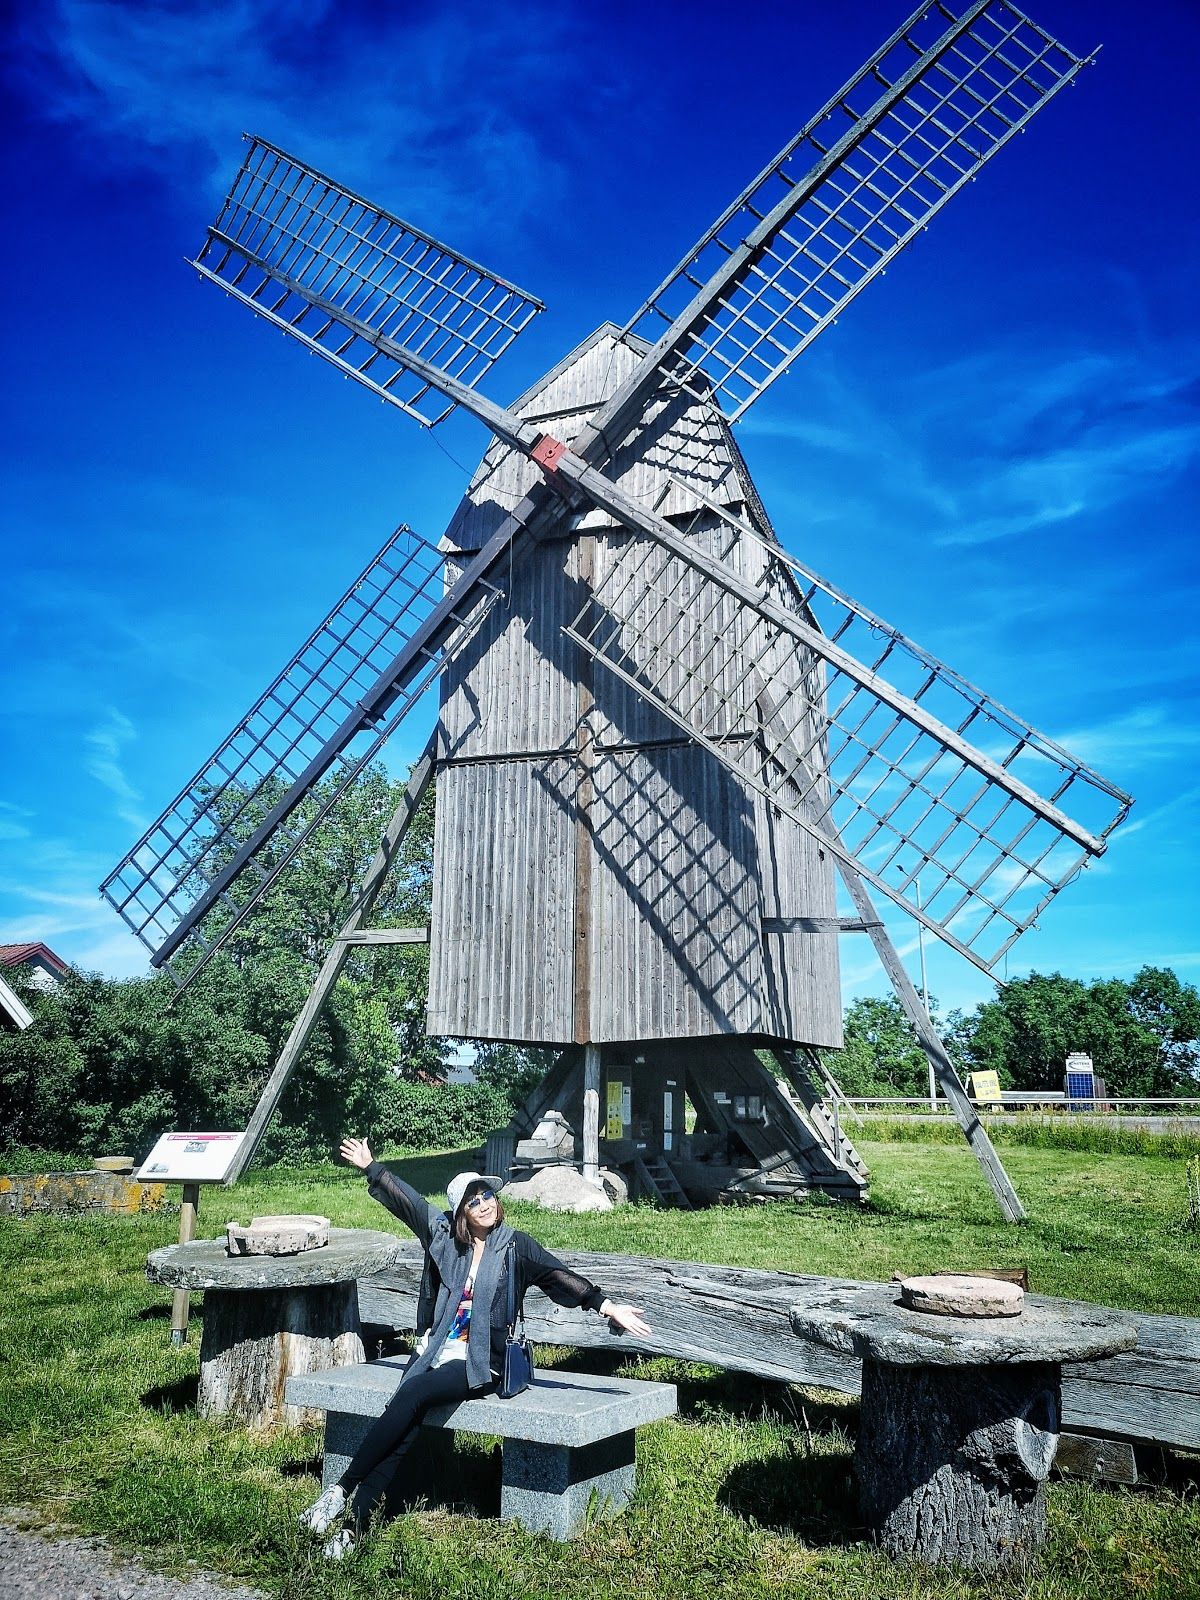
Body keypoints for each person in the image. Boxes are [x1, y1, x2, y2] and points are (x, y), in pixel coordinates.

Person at [299, 1136, 652, 1556]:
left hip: (486, 1362)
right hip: (438, 1350)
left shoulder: (515, 1246)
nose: (485, 1204)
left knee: (412, 1392)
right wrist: (372, 1167)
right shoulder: (447, 1240)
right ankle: (352, 1530)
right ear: (460, 1213)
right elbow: (409, 1203)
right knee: (408, 1425)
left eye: (487, 1195)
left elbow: (559, 1277)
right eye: (473, 1201)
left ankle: (340, 1490)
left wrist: (607, 1306)